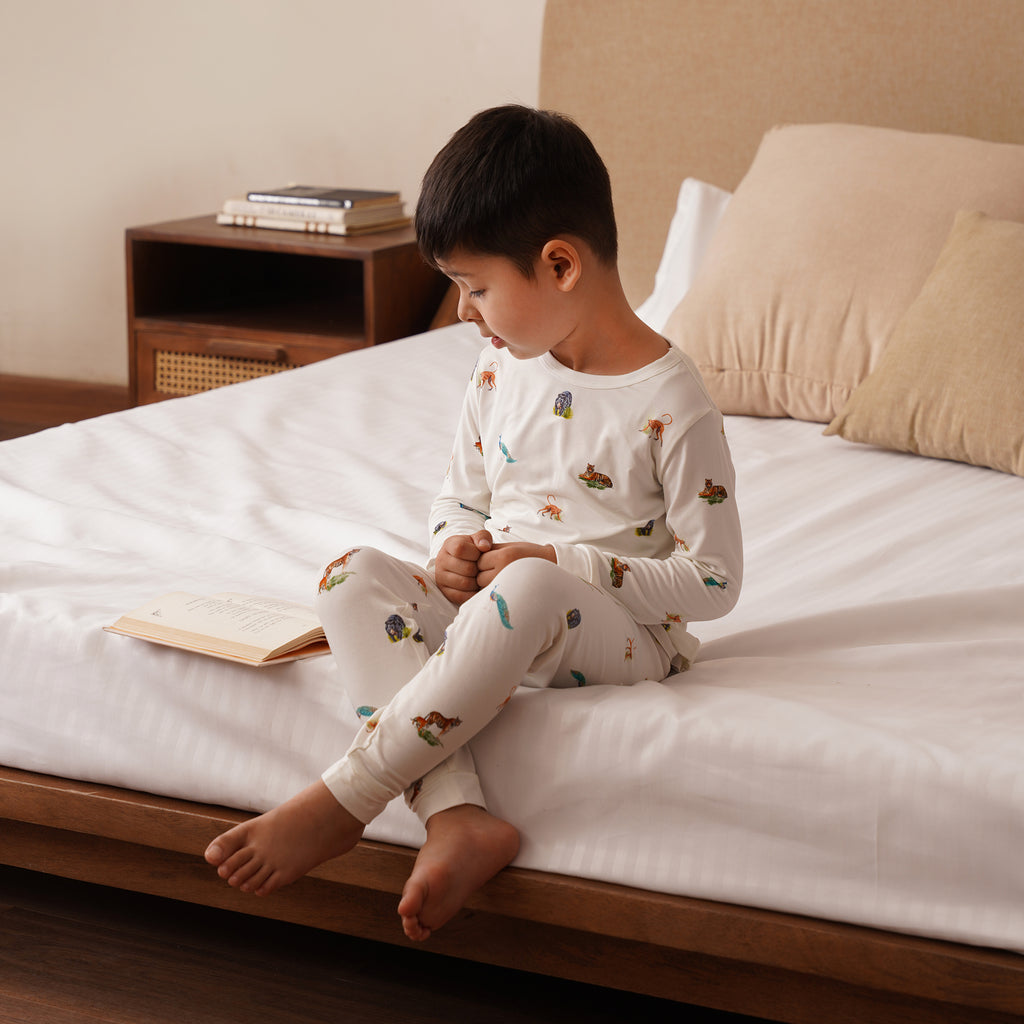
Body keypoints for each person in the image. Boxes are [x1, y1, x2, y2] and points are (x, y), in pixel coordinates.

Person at [204, 105, 742, 942]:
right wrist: (450, 552)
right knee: (353, 576)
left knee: (529, 583)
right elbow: (463, 497)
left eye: (477, 286)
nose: (462, 313)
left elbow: (715, 584)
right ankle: (457, 815)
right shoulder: (501, 368)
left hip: (631, 636)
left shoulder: (672, 403)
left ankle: (348, 796)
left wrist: (563, 563)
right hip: (499, 604)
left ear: (559, 264)